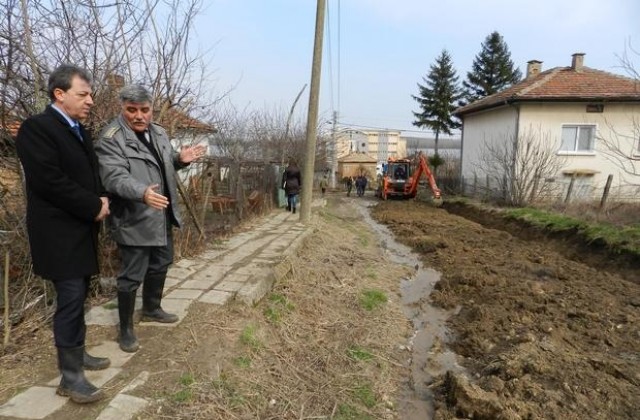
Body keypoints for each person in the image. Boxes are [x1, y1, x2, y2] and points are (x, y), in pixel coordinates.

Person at [15, 64, 111, 404]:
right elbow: (49, 181)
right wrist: (91, 205)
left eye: (90, 95)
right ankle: (71, 378)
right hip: (57, 232)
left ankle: (79, 355)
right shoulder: (37, 129)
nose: (90, 101)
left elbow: (90, 173)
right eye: (83, 94)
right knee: (70, 299)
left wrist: (102, 199)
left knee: (80, 294)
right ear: (60, 94)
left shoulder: (79, 130)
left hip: (81, 229)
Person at [94, 84, 205, 353]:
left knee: (161, 263)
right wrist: (141, 193)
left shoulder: (159, 132)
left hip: (161, 213)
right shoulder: (111, 137)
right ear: (123, 108)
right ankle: (125, 330)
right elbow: (114, 177)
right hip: (134, 217)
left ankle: (152, 309)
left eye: (144, 110)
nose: (139, 116)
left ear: (151, 110)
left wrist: (181, 159)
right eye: (132, 110)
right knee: (132, 275)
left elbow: (163, 164)